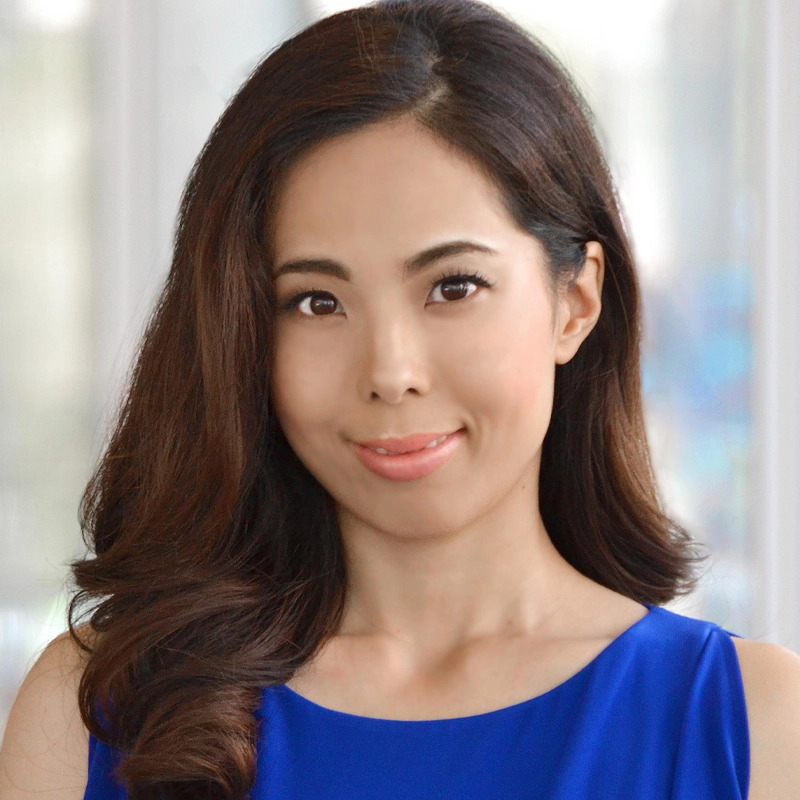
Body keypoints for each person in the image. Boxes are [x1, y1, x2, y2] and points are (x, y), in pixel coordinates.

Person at [2, 0, 800, 797]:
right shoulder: (96, 713)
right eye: (317, 301)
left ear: (576, 302)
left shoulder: (755, 724)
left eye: (454, 287)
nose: (390, 371)